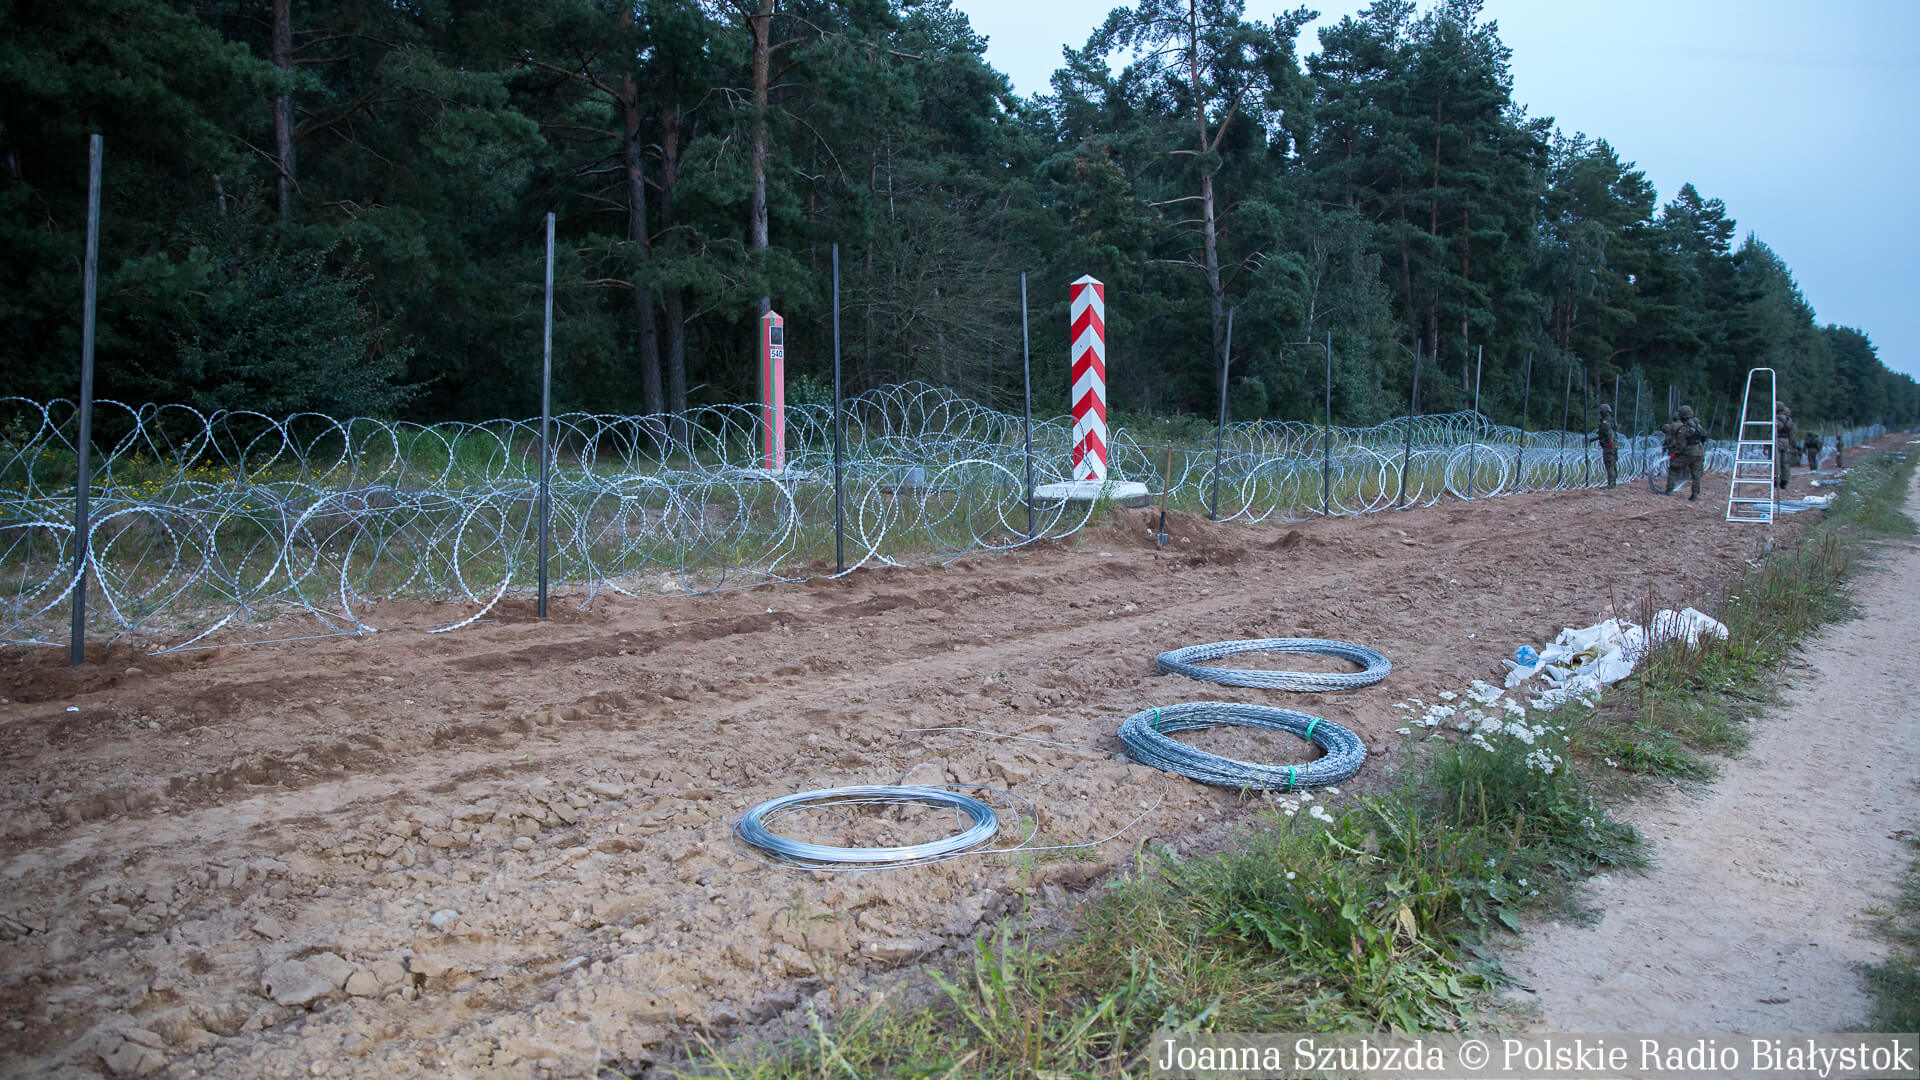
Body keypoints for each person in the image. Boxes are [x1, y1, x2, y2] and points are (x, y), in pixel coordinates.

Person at [1665, 405, 1707, 500]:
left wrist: (1675, 454)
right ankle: (1694, 495)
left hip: (1689, 452)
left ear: (1682, 416)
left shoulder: (1684, 428)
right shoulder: (1698, 425)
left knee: (1673, 468)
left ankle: (1669, 490)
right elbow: (1704, 436)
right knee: (1696, 474)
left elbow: (1681, 445)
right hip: (1699, 451)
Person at [1585, 402, 1621, 488]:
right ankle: (1613, 482)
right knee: (1613, 464)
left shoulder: (1605, 422)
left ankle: (1610, 484)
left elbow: (1609, 434)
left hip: (1609, 446)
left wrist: (1609, 444)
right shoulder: (1612, 420)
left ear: (1605, 411)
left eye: (1601, 411)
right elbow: (1605, 434)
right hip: (1613, 445)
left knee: (1609, 464)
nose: (1600, 413)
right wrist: (1594, 439)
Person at [1774, 401, 1795, 490]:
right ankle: (1785, 481)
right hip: (1786, 441)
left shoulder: (1775, 419)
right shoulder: (1789, 420)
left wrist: (1765, 445)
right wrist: (1790, 443)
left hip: (1777, 440)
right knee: (1785, 462)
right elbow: (1792, 434)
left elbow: (1771, 432)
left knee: (1776, 461)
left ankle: (1776, 480)